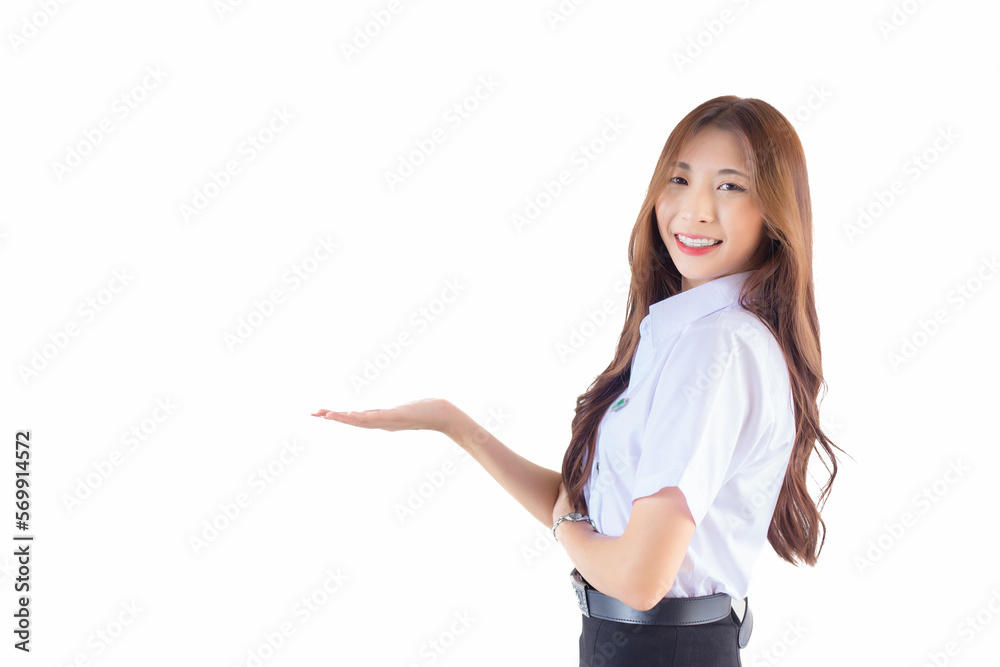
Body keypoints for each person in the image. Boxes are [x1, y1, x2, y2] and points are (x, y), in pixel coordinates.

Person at [312, 95, 844, 666]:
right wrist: (454, 425)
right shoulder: (683, 336)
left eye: (730, 186)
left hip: (660, 647)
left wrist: (568, 525)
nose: (695, 210)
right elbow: (585, 513)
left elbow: (637, 578)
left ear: (775, 212)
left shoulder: (718, 346)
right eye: (679, 179)